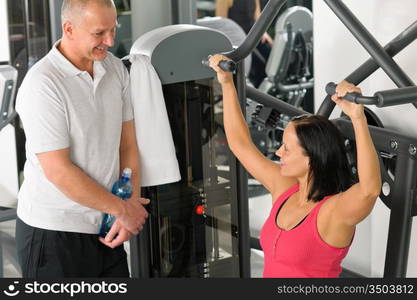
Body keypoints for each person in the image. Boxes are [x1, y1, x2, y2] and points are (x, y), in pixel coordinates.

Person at [209, 54, 381, 278]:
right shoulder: (285, 188)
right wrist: (227, 83)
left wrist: (358, 118)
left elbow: (369, 190)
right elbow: (240, 145)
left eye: (286, 148)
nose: (278, 152)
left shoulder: (333, 212)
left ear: (311, 158)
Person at [15, 0, 149, 278]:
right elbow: (59, 171)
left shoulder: (114, 69)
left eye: (113, 30)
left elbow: (127, 145)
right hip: (55, 232)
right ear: (69, 28)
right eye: (100, 33)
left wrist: (130, 202)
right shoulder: (43, 84)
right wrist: (123, 210)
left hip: (106, 224)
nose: (110, 41)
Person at [215, 0, 273, 87]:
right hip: (238, 40)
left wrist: (264, 33)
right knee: (261, 65)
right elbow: (222, 25)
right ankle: (258, 95)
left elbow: (257, 17)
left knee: (272, 55)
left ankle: (271, 92)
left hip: (253, 35)